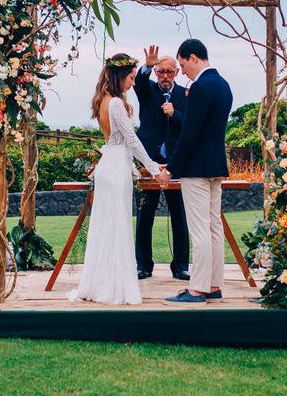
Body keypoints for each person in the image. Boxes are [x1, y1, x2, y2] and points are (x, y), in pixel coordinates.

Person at [68, 53, 162, 305]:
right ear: (120, 76)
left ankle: (100, 283)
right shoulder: (117, 104)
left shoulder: (102, 101)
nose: (133, 83)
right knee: (117, 226)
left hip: (109, 163)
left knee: (106, 227)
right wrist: (153, 168)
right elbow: (132, 140)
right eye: (131, 78)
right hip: (117, 166)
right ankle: (113, 288)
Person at [156, 39, 233, 306]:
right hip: (215, 167)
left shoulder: (201, 86)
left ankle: (198, 290)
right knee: (213, 228)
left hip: (196, 170)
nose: (182, 70)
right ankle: (214, 285)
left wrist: (172, 169)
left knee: (200, 229)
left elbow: (190, 133)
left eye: (182, 64)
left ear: (193, 57)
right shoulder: (223, 85)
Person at [134, 45, 190, 281]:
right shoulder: (147, 90)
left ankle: (180, 267)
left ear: (177, 72)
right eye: (160, 72)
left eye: (169, 71)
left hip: (175, 164)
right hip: (150, 163)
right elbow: (138, 81)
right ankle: (143, 266)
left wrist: (174, 113)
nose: (165, 76)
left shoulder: (185, 95)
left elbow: (189, 125)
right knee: (145, 215)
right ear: (156, 73)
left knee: (179, 216)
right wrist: (147, 65)